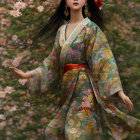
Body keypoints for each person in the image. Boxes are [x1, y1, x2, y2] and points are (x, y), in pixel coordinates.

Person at [10, 0, 140, 139]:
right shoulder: (61, 31)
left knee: (76, 134)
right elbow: (52, 62)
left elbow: (104, 59)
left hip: (85, 91)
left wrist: (119, 92)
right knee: (53, 132)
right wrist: (27, 75)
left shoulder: (91, 28)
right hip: (67, 90)